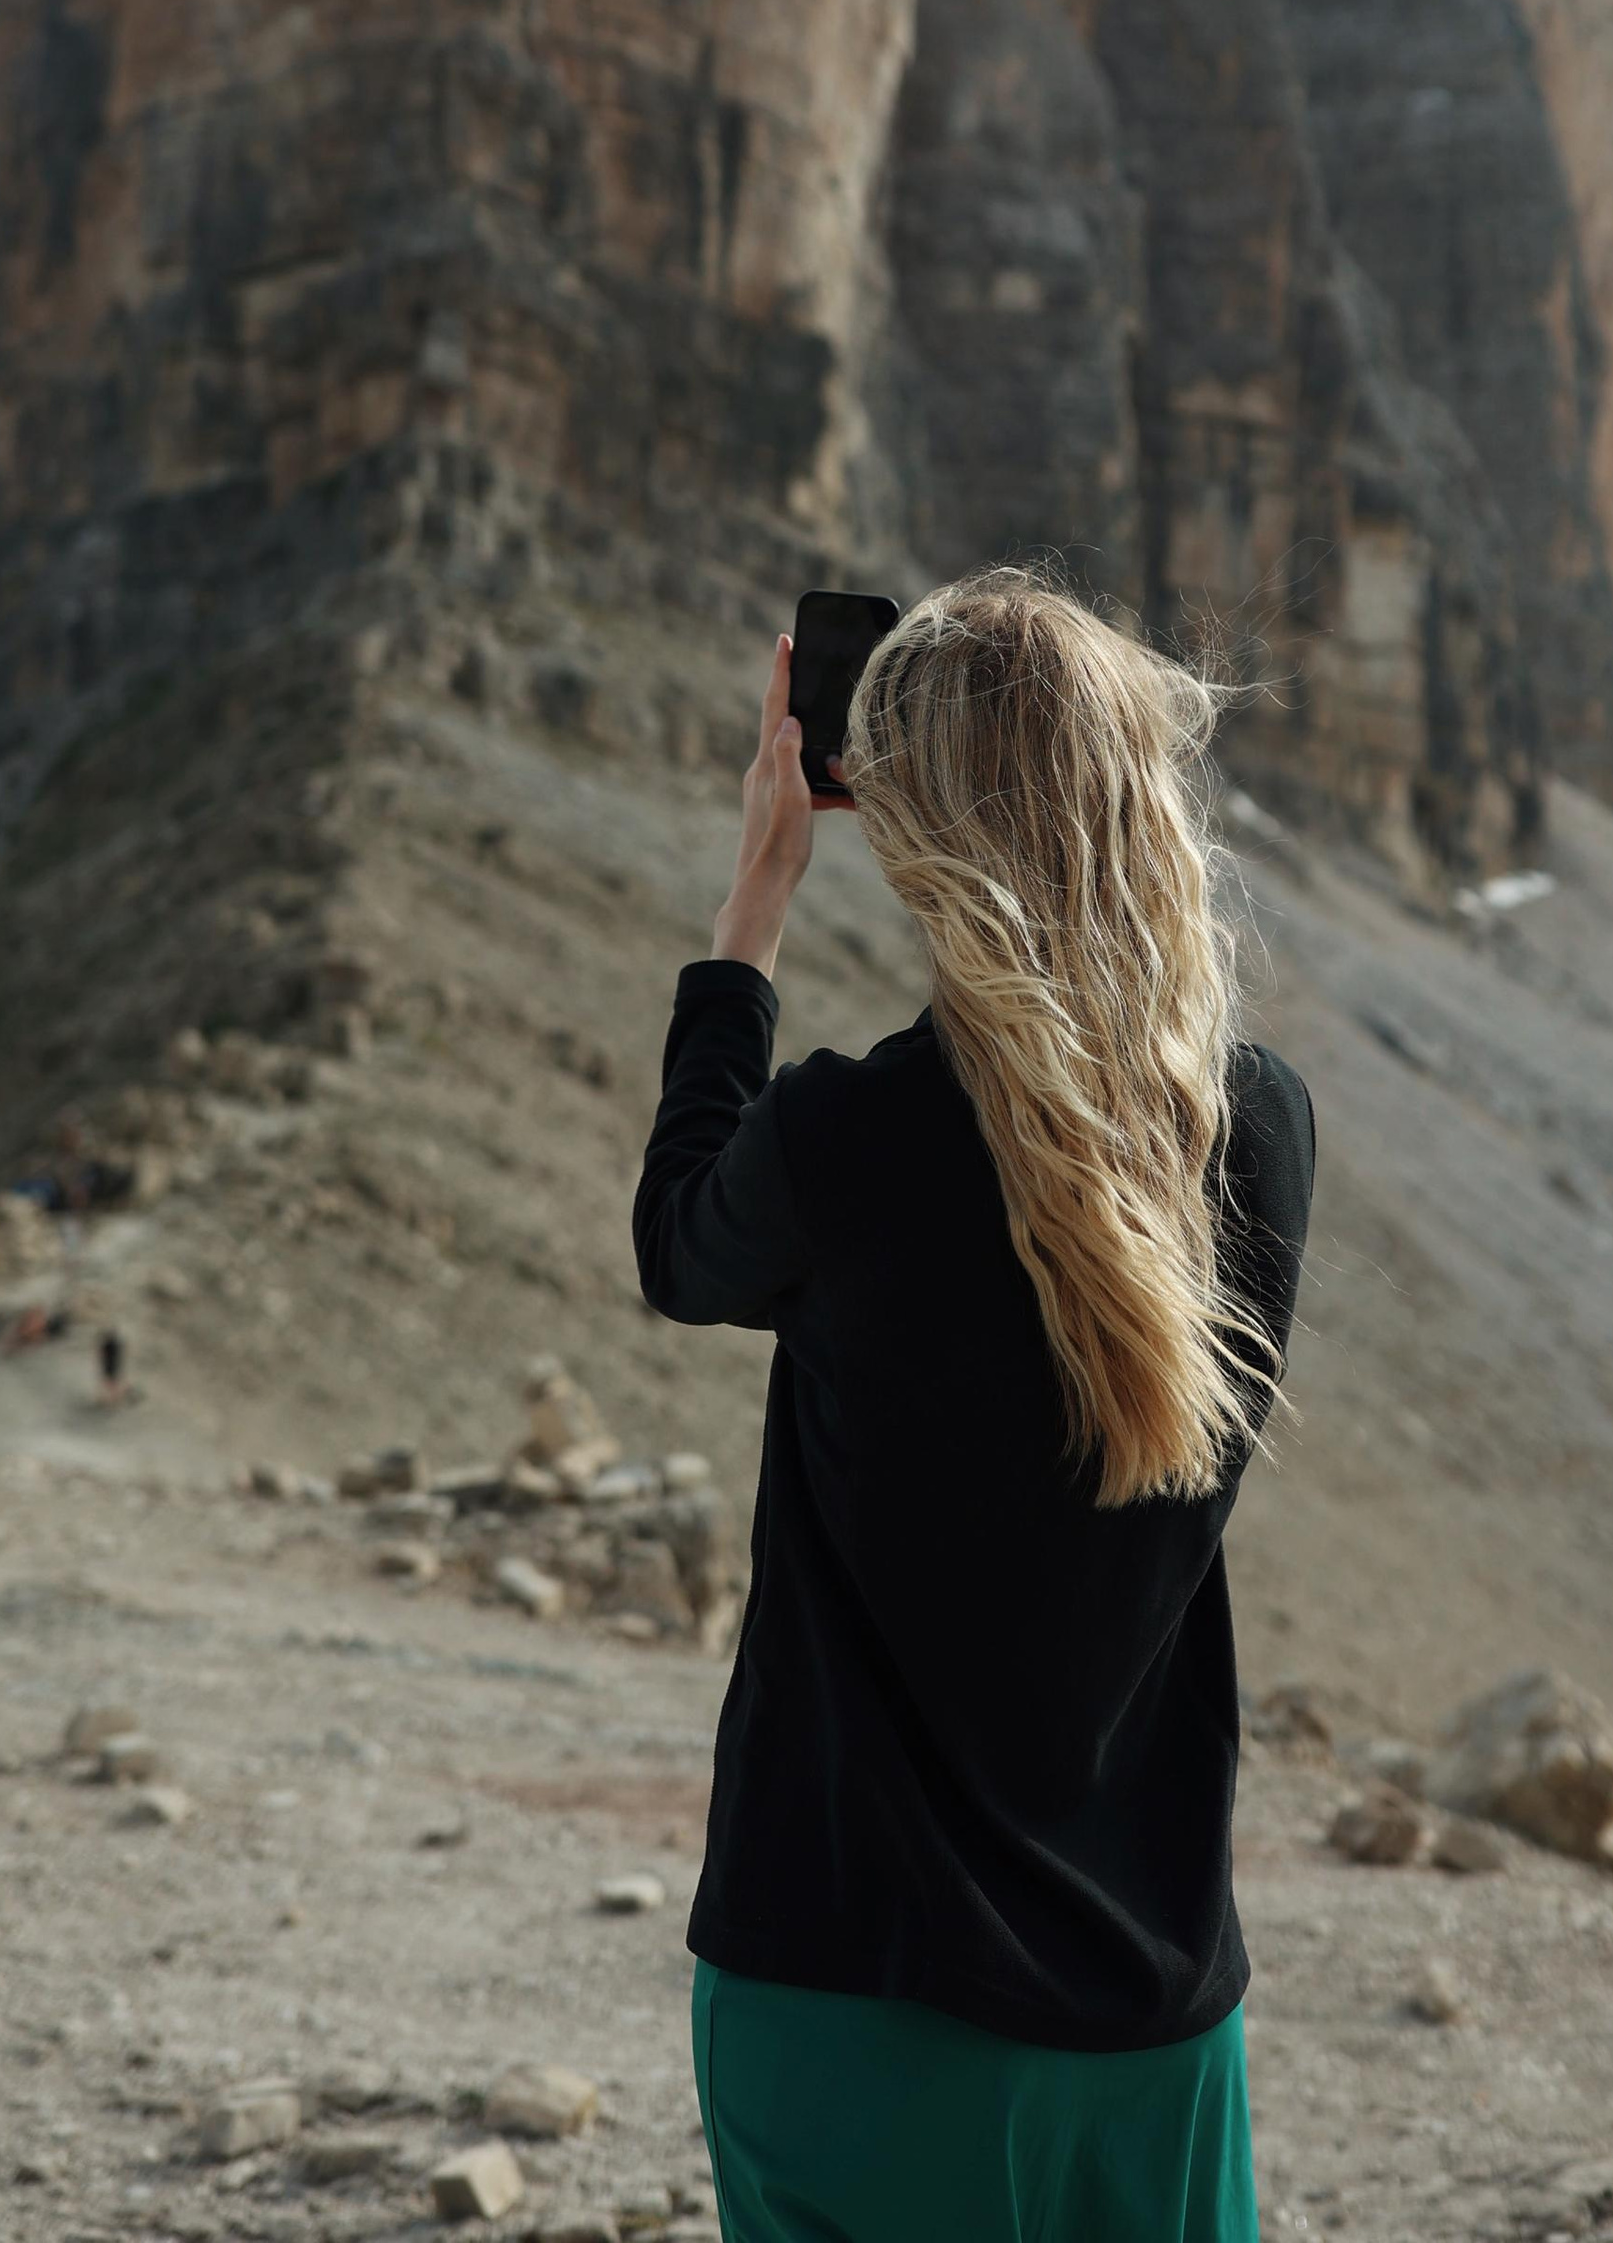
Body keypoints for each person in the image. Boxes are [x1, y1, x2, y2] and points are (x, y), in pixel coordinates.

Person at [635, 571, 1314, 2243]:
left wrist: (757, 903)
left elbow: (677, 1249)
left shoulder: (844, 1149)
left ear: (911, 828)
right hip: (1151, 2018)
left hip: (855, 1988)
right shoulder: (1262, 1135)